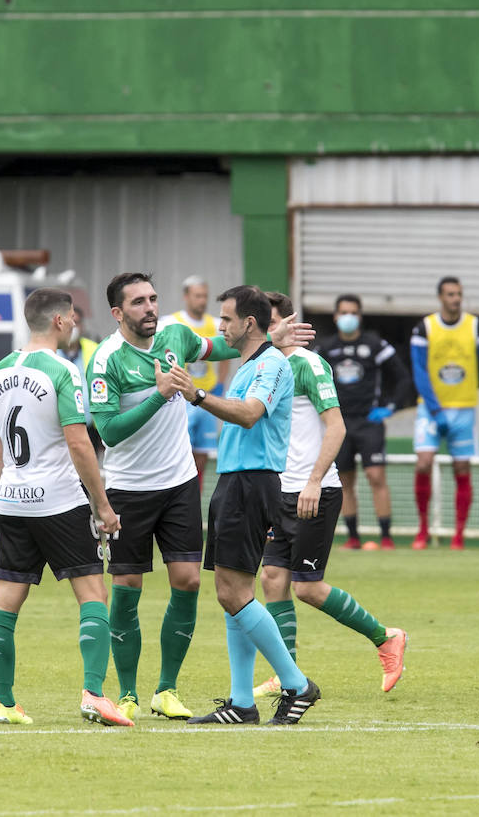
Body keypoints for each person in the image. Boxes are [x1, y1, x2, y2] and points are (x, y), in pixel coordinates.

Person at [87, 272, 309, 722]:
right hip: (129, 487)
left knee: (191, 582)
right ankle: (129, 693)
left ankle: (167, 689)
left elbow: (224, 345)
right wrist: (160, 396)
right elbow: (108, 431)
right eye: (138, 303)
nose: (150, 307)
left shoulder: (176, 336)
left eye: (153, 298)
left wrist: (272, 334)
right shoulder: (106, 359)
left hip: (181, 483)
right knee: (128, 588)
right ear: (117, 313)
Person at [0, 288, 130, 727]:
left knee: (8, 599)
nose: (75, 326)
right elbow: (80, 443)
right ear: (61, 322)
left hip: (12, 501)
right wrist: (102, 505)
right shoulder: (63, 371)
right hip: (60, 501)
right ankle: (94, 695)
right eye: (73, 319)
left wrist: (10, 486)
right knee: (93, 594)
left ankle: (4, 704)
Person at [252, 292, 408, 699]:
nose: (263, 329)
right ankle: (286, 674)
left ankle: (385, 637)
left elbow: (335, 428)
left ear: (289, 321)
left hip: (312, 491)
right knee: (272, 579)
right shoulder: (265, 366)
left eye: (268, 321)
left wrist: (314, 481)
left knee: (307, 587)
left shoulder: (308, 363)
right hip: (280, 491)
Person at [180, 286, 321, 726]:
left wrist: (198, 395)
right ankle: (242, 701)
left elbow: (250, 413)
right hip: (233, 480)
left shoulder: (274, 364)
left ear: (249, 323)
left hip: (253, 484)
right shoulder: (251, 362)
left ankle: (297, 684)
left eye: (226, 319)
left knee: (233, 592)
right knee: (231, 591)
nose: (220, 327)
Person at [410, 276, 479, 550]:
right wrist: (434, 406)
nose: (455, 299)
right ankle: (423, 530)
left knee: (462, 467)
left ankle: (458, 535)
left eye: (459, 294)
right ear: (440, 297)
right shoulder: (424, 328)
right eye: (450, 294)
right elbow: (419, 369)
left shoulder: (476, 326)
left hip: (464, 408)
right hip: (431, 409)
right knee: (424, 462)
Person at [316, 294, 410, 550]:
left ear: (360, 316)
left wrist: (389, 408)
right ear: (336, 316)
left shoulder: (376, 345)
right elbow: (312, 381)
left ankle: (387, 536)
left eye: (353, 312)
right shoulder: (325, 349)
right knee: (345, 481)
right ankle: (354, 537)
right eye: (343, 312)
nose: (348, 317)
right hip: (339, 424)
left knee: (375, 475)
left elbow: (402, 378)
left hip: (370, 422)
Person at [161, 275, 229, 493]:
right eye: (198, 296)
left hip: (206, 396)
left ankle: (195, 496)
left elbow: (226, 353)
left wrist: (219, 384)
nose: (202, 300)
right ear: (186, 296)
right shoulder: (172, 322)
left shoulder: (215, 324)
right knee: (181, 449)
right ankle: (180, 493)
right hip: (183, 398)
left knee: (202, 454)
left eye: (205, 296)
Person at [57, 302, 102, 456]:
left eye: (77, 321)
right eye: (69, 320)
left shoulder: (95, 349)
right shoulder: (52, 351)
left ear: (82, 325)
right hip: (59, 429)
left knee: (86, 475)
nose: (73, 326)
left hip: (90, 428)